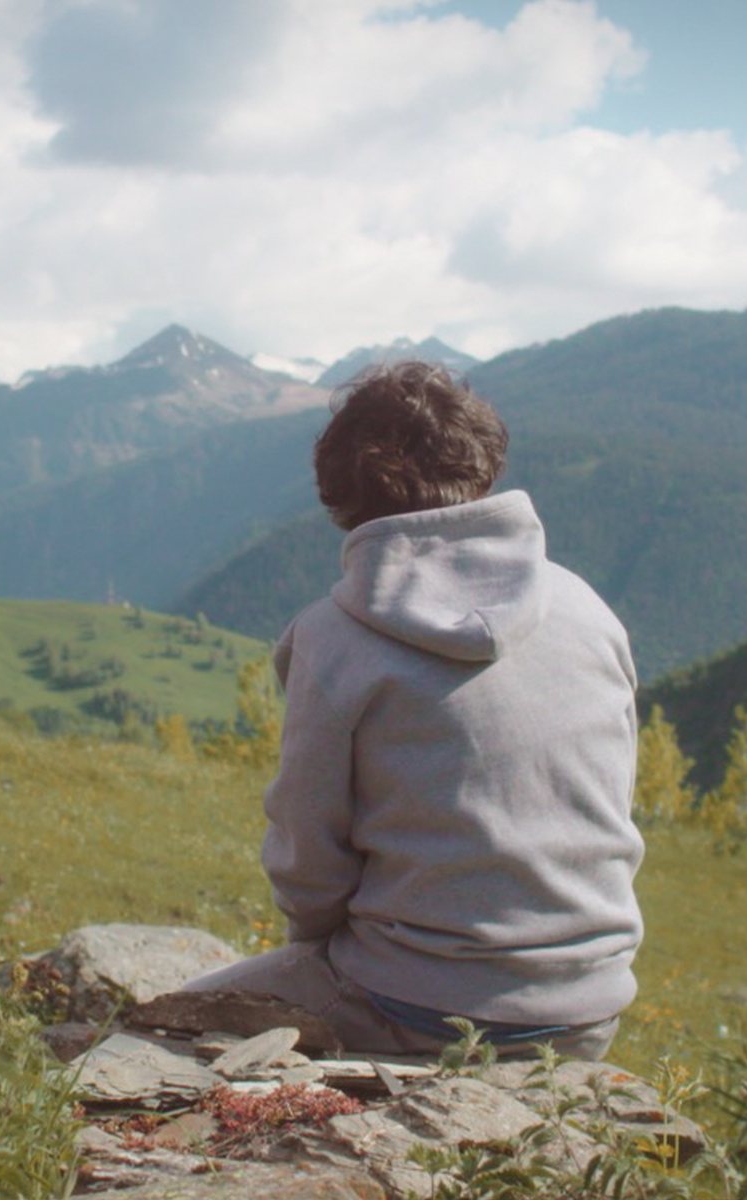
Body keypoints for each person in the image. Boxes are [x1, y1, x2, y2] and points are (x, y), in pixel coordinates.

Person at [183, 361, 642, 1060]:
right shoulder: (587, 610)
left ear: (341, 492)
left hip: (415, 1008)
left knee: (165, 1025)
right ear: (482, 461)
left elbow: (310, 866)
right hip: (588, 1011)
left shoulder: (334, 639)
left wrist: (322, 949)